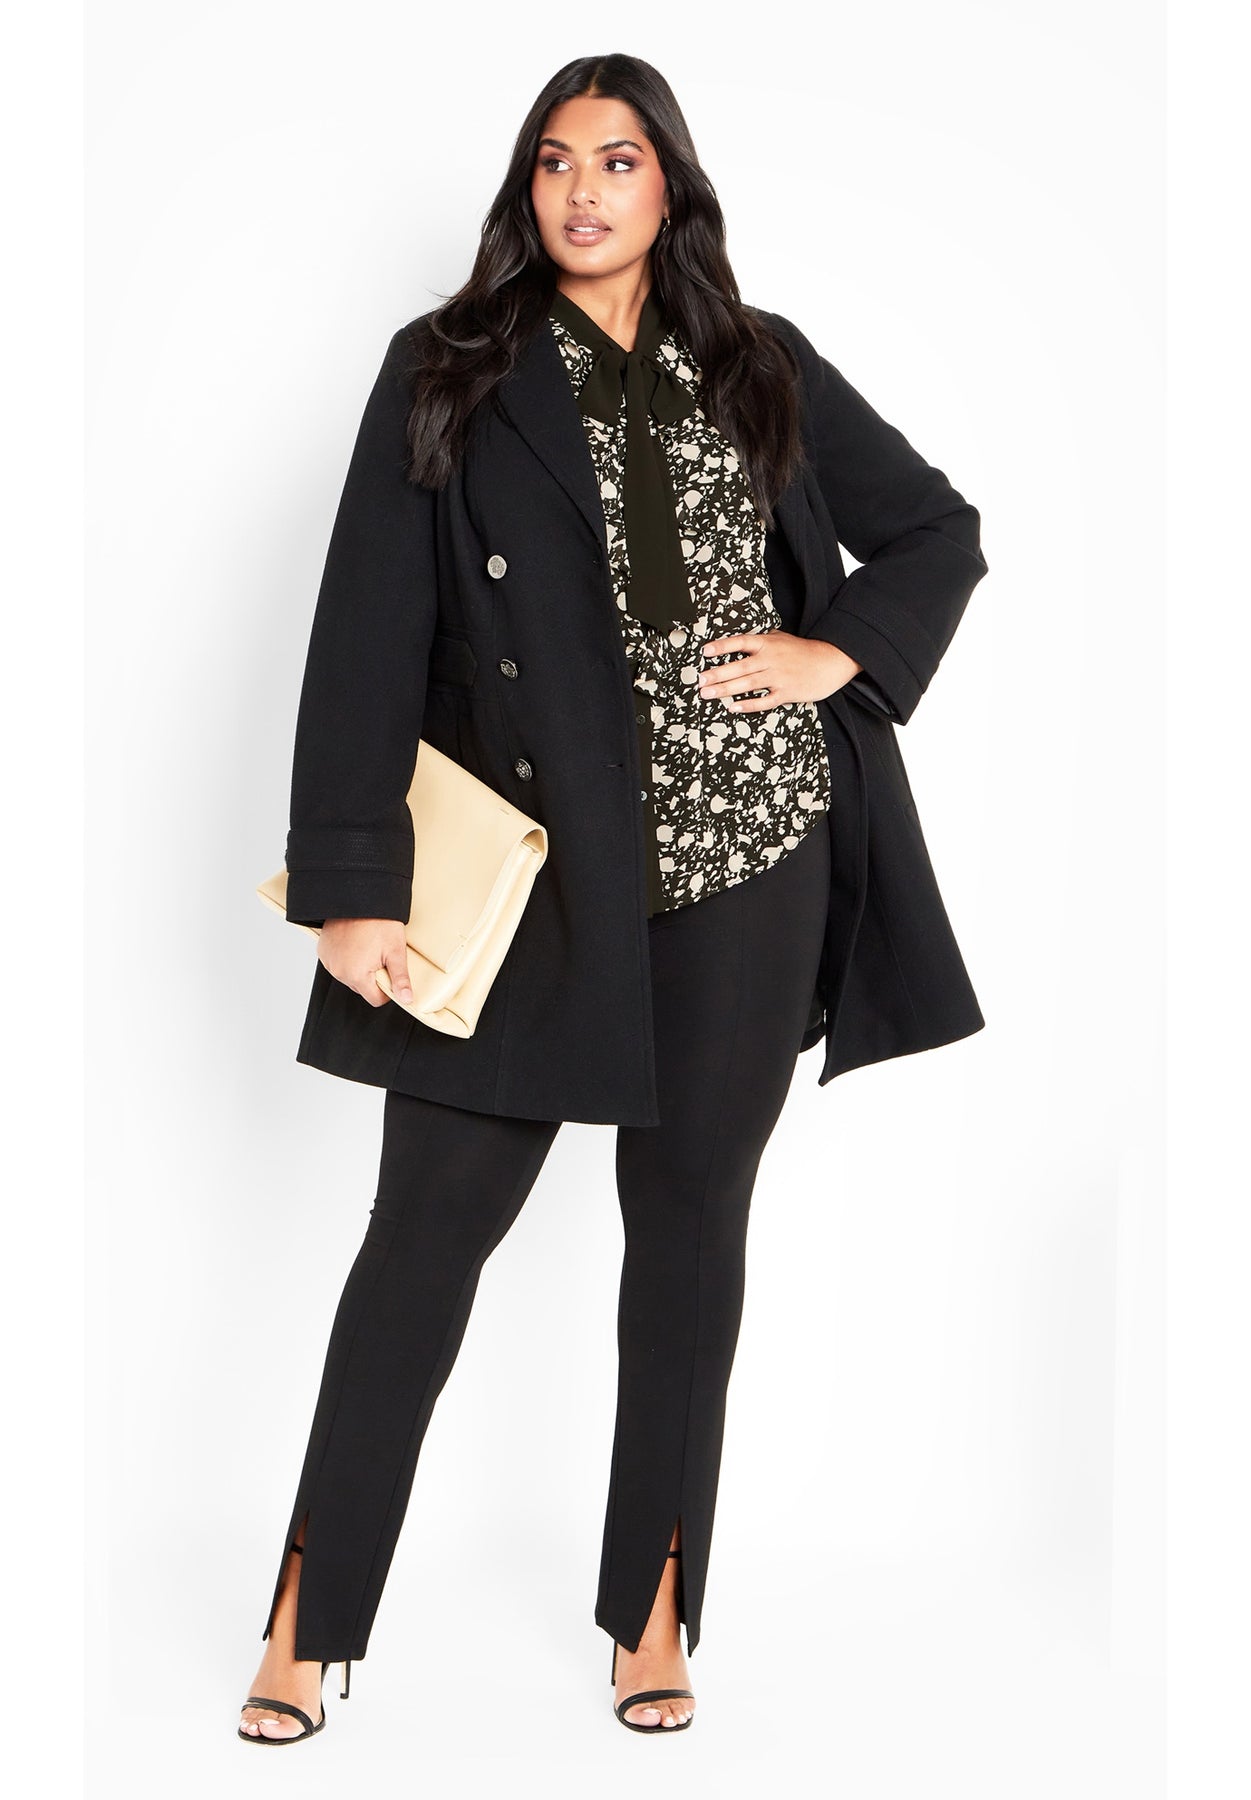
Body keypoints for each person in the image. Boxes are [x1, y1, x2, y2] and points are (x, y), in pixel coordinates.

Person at [237, 52, 988, 1746]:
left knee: (692, 1239)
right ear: (528, 188)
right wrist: (351, 884)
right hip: (535, 864)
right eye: (558, 161)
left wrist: (836, 652)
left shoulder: (760, 362)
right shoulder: (448, 368)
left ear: (671, 186)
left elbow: (936, 531)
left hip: (751, 854)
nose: (585, 189)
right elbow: (366, 625)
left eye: (621, 159)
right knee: (423, 1238)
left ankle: (654, 1612)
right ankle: (305, 1617)